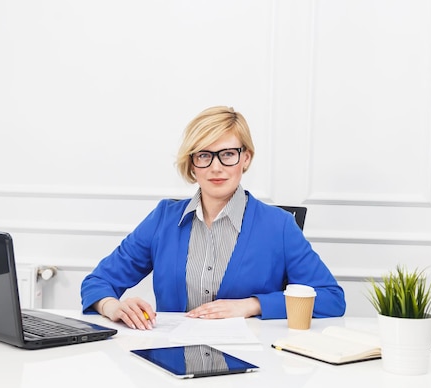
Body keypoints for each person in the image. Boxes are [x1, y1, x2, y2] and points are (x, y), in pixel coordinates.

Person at [81, 106, 345, 330]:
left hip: (258, 367)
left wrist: (252, 305)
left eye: (228, 154)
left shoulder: (279, 226)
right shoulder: (163, 219)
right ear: (192, 164)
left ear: (246, 158)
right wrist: (113, 306)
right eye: (204, 155)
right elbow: (98, 282)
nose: (216, 167)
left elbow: (331, 298)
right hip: (173, 360)